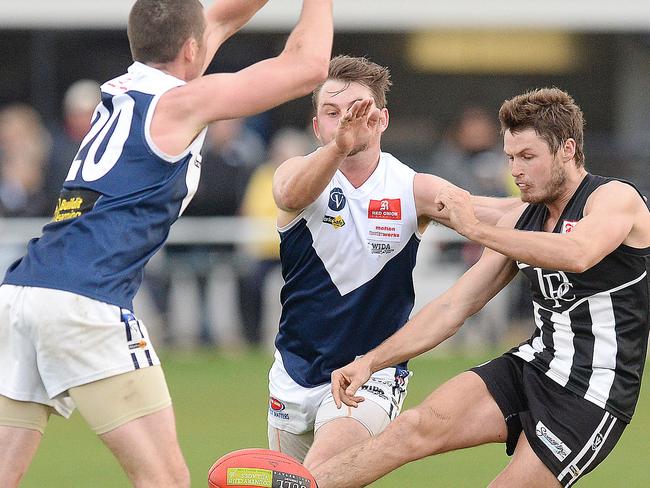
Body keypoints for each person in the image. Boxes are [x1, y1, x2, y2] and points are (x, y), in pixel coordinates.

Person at [0, 0, 333, 486]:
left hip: (23, 292)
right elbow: (307, 70)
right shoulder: (179, 103)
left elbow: (216, 19)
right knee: (166, 480)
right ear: (192, 49)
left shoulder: (131, 82)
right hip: (86, 302)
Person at [312, 87, 650, 488]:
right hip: (533, 366)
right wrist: (370, 361)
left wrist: (474, 228)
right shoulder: (523, 219)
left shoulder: (614, 198)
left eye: (528, 157)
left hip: (591, 395)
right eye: (510, 157)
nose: (516, 170)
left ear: (567, 149)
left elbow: (577, 252)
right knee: (413, 427)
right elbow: (454, 306)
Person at [267, 55, 518, 471]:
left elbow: (492, 213)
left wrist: (573, 202)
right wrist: (339, 146)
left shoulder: (412, 187)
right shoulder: (296, 173)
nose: (345, 121)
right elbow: (291, 196)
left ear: (382, 120)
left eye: (358, 111)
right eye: (332, 113)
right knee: (298, 480)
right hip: (292, 373)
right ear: (317, 127)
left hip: (371, 374)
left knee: (314, 479)